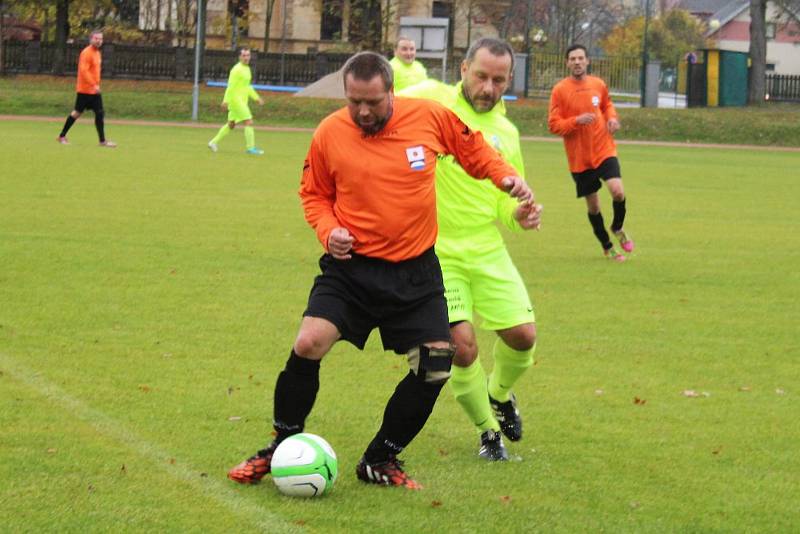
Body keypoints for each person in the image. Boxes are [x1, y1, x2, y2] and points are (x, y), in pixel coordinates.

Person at [227, 51, 533, 490]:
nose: (364, 112)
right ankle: (282, 442)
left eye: (373, 102)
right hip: (350, 270)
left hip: (415, 271)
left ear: (391, 91)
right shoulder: (330, 132)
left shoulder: (429, 117)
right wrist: (328, 230)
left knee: (435, 364)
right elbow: (313, 194)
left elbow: (474, 151)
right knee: (309, 341)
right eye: (355, 102)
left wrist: (505, 177)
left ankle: (380, 458)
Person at [400, 38, 542, 461]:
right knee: (461, 346)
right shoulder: (429, 99)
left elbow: (505, 196)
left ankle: (498, 394)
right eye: (481, 76)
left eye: (498, 80)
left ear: (508, 81)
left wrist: (519, 214)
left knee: (523, 336)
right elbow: (379, 106)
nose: (488, 87)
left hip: (485, 247)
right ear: (463, 69)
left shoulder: (506, 133)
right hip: (436, 251)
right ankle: (488, 432)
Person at [548, 44, 634, 262]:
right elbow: (554, 124)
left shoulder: (598, 84)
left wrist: (613, 119)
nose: (577, 62)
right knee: (594, 206)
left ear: (587, 61)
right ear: (567, 63)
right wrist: (575, 121)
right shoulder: (560, 90)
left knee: (618, 191)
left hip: (604, 148)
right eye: (573, 59)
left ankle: (617, 227)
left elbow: (607, 105)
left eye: (580, 58)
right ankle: (607, 246)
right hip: (580, 158)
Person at [57, 30, 116, 147]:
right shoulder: (86, 53)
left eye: (100, 39)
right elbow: (84, 71)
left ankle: (102, 141)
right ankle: (62, 136)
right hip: (85, 90)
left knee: (100, 113)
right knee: (76, 113)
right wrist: (93, 84)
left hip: (95, 91)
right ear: (91, 39)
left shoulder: (97, 53)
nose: (99, 41)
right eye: (96, 38)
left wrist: (96, 85)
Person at [208, 48, 265, 155]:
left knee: (231, 124)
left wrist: (256, 98)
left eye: (248, 55)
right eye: (244, 55)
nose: (246, 57)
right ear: (239, 57)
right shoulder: (236, 69)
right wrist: (225, 101)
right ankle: (251, 148)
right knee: (248, 121)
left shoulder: (247, 69)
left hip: (241, 101)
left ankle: (213, 142)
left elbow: (247, 87)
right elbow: (231, 86)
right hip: (235, 100)